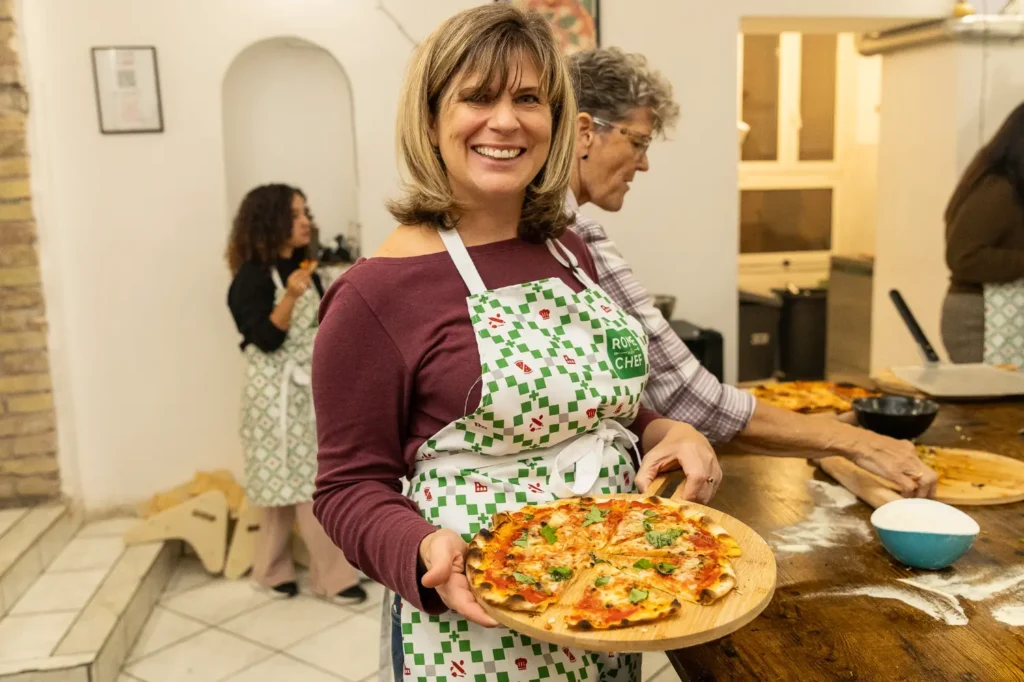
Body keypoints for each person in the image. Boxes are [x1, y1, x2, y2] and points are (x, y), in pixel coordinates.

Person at [312, 6, 727, 681]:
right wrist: (421, 550)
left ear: (557, 122)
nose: (505, 121)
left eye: (528, 98)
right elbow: (346, 487)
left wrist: (665, 430)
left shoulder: (566, 249)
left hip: (607, 603)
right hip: (477, 624)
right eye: (477, 96)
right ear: (429, 120)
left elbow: (589, 404)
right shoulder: (374, 296)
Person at [566, 47, 938, 496]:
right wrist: (854, 442)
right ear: (586, 130)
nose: (644, 162)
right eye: (639, 141)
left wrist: (816, 431)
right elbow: (689, 398)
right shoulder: (574, 235)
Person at [226, 183, 366, 604]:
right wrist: (288, 296)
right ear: (270, 222)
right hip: (274, 398)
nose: (307, 221)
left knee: (293, 483)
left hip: (309, 390)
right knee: (300, 483)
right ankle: (333, 577)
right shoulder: (250, 279)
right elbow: (267, 339)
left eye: (306, 212)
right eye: (295, 215)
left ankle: (269, 571)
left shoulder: (307, 269)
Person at [941, 101, 1024, 364]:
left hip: (1002, 318)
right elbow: (963, 257)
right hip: (980, 319)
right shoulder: (1000, 189)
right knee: (990, 405)